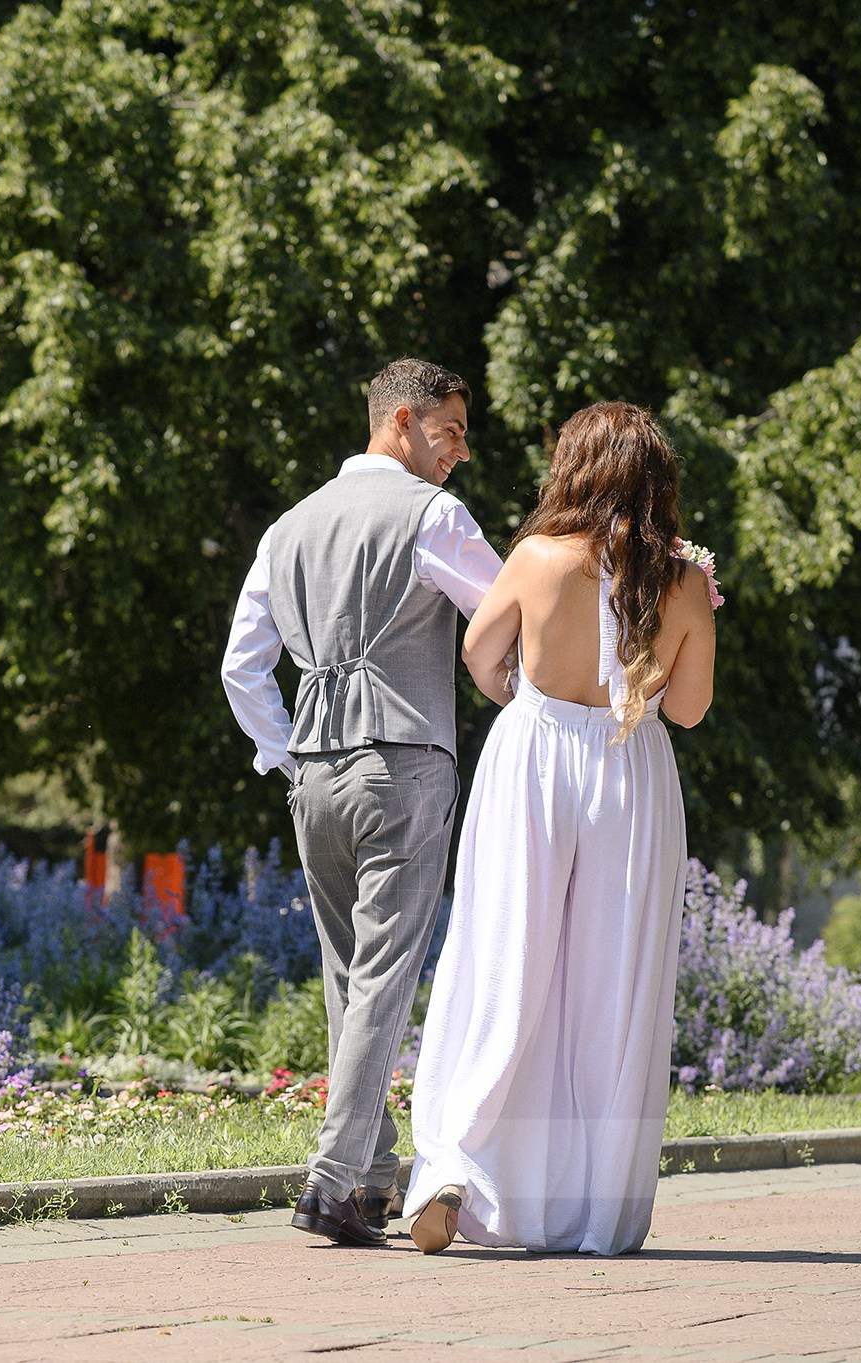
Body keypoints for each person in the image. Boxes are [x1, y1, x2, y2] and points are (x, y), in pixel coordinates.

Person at [402, 401, 716, 1257]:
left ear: (575, 469)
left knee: (502, 956)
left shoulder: (537, 556)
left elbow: (479, 652)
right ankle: (594, 1212)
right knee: (614, 983)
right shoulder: (685, 581)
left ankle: (454, 1162)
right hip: (630, 771)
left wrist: (528, 698)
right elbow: (689, 709)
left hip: (532, 762)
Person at [221, 357, 503, 1246]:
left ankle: (372, 1175)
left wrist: (286, 754)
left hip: (315, 775)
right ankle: (332, 1179)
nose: (461, 452)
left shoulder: (288, 526)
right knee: (381, 976)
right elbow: (505, 616)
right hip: (404, 763)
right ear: (401, 422)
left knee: (349, 978)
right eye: (451, 430)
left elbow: (241, 665)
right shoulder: (433, 515)